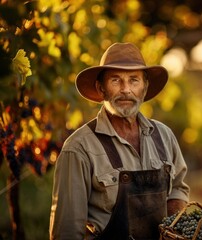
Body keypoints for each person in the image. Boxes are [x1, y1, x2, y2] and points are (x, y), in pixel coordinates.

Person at [49, 42, 190, 240]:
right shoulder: (78, 148)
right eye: (116, 80)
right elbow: (67, 231)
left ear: (145, 87)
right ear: (101, 88)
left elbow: (177, 188)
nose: (126, 90)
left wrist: (174, 226)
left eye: (134, 80)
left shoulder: (164, 136)